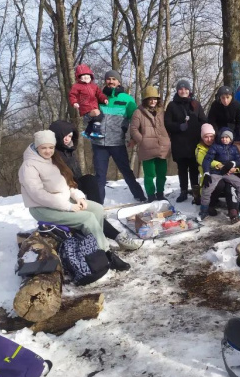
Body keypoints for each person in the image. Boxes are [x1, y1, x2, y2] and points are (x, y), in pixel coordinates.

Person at [18, 130, 130, 270]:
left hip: (62, 203)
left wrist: (79, 197)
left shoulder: (54, 160)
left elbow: (68, 184)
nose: (48, 151)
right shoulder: (29, 166)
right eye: (44, 148)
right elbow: (37, 194)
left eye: (51, 147)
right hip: (42, 208)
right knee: (87, 218)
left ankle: (94, 243)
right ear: (37, 146)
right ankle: (106, 255)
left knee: (97, 209)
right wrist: (68, 207)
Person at [49, 120, 143, 250]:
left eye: (70, 136)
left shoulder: (68, 150)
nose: (67, 139)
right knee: (91, 212)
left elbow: (75, 175)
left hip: (74, 187)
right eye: (64, 135)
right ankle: (116, 236)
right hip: (63, 192)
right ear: (56, 135)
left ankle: (98, 211)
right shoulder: (52, 154)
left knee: (90, 180)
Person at [89, 69, 146, 203]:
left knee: (126, 172)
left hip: (117, 143)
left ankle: (140, 196)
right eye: (108, 79)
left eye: (114, 79)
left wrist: (133, 138)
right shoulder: (98, 97)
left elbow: (135, 120)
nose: (111, 81)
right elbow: (88, 115)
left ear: (118, 81)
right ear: (105, 81)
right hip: (99, 143)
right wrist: (89, 115)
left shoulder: (127, 99)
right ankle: (99, 203)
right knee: (100, 176)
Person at [164, 79, 206, 203]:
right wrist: (178, 127)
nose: (183, 91)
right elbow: (167, 123)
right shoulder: (172, 105)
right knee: (182, 169)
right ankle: (183, 191)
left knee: (194, 168)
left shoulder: (195, 104)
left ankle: (195, 192)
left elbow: (203, 120)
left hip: (194, 142)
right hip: (179, 143)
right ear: (177, 91)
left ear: (189, 90)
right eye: (181, 89)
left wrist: (201, 132)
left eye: (186, 89)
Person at [195, 124, 240, 222]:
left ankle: (236, 206)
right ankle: (204, 210)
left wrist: (233, 164)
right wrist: (206, 173)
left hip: (228, 174)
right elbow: (206, 160)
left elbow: (239, 160)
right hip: (216, 173)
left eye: (227, 137)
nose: (224, 139)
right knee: (207, 188)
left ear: (230, 138)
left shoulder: (234, 148)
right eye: (222, 137)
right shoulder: (215, 147)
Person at [130, 86, 170, 202]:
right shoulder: (138, 112)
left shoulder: (162, 112)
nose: (153, 101)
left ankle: (160, 194)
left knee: (162, 174)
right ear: (146, 100)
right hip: (147, 149)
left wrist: (169, 139)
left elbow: (168, 126)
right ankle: (151, 196)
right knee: (149, 175)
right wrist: (142, 140)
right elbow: (133, 129)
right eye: (150, 99)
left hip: (163, 147)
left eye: (155, 98)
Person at [68, 64, 108, 138]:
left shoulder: (94, 86)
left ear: (90, 76)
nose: (86, 77)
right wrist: (74, 102)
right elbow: (72, 95)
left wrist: (104, 99)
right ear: (79, 77)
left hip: (94, 106)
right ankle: (96, 131)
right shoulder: (77, 86)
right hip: (85, 108)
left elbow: (99, 94)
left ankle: (87, 132)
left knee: (98, 117)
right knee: (98, 114)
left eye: (87, 75)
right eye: (83, 75)